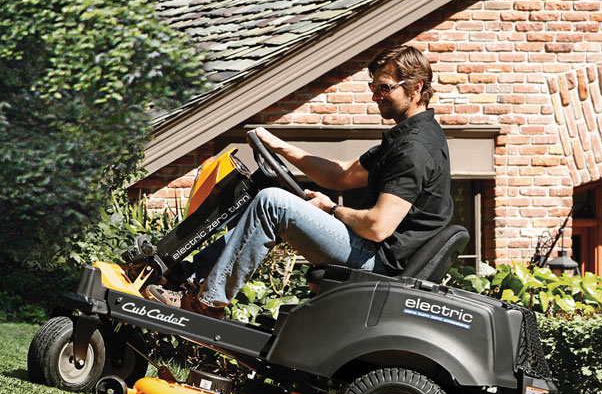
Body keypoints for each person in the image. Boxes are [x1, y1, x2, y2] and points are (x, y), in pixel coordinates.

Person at [147, 44, 453, 317]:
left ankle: (205, 301)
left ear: (416, 88)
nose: (375, 96)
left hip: (380, 262)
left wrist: (330, 209)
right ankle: (185, 277)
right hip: (378, 254)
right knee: (264, 203)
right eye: (373, 87)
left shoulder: (415, 148)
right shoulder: (405, 139)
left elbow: (377, 226)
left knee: (272, 203)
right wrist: (280, 146)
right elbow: (341, 174)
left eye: (384, 88)